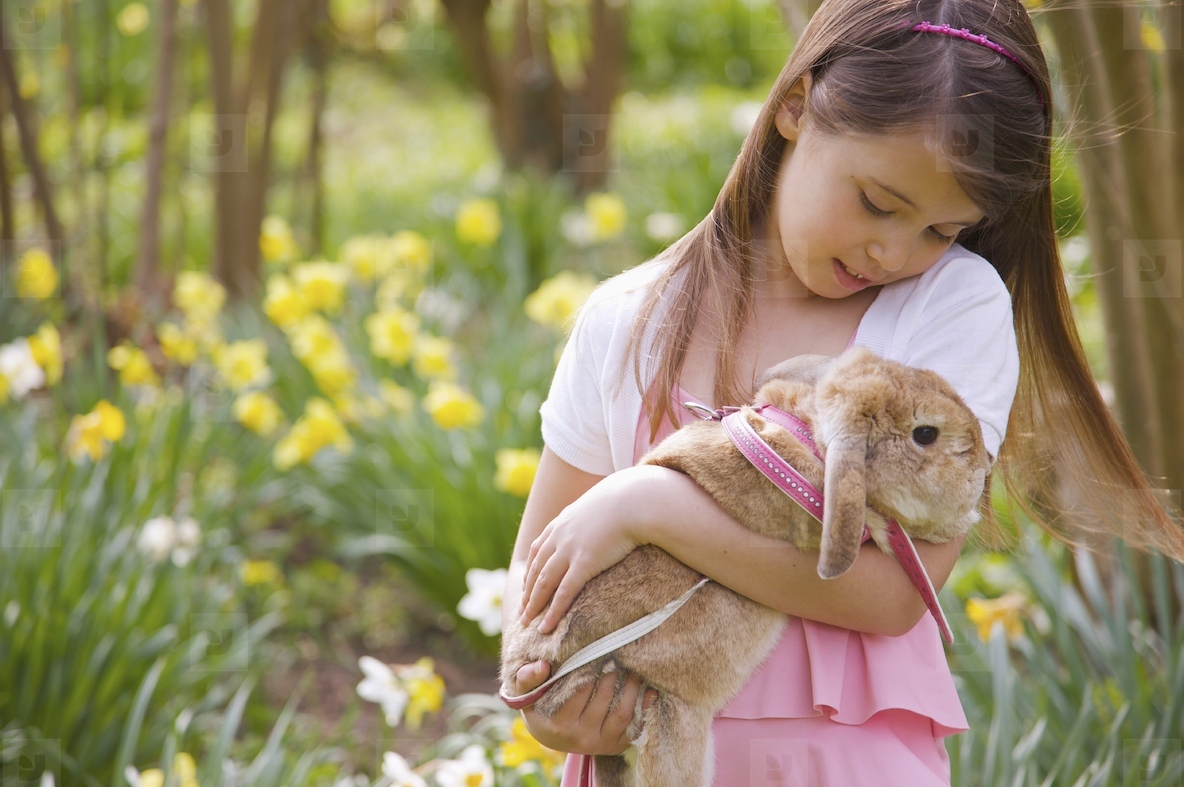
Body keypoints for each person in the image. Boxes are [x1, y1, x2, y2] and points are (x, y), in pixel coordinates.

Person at [500, 0, 1184, 784]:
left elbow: (894, 592)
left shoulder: (946, 309)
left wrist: (644, 506)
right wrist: (551, 704)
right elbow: (539, 577)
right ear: (796, 105)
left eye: (940, 230)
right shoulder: (628, 321)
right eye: (877, 203)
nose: (892, 251)